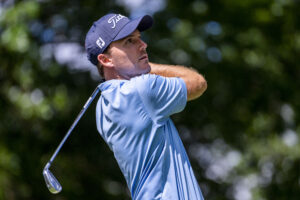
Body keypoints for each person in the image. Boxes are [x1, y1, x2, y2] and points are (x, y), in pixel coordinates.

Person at [85, 13, 207, 200]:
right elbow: (198, 83)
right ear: (106, 60)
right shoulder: (143, 89)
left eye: (139, 38)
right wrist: (147, 65)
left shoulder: (102, 107)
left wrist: (136, 63)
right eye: (129, 41)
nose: (143, 45)